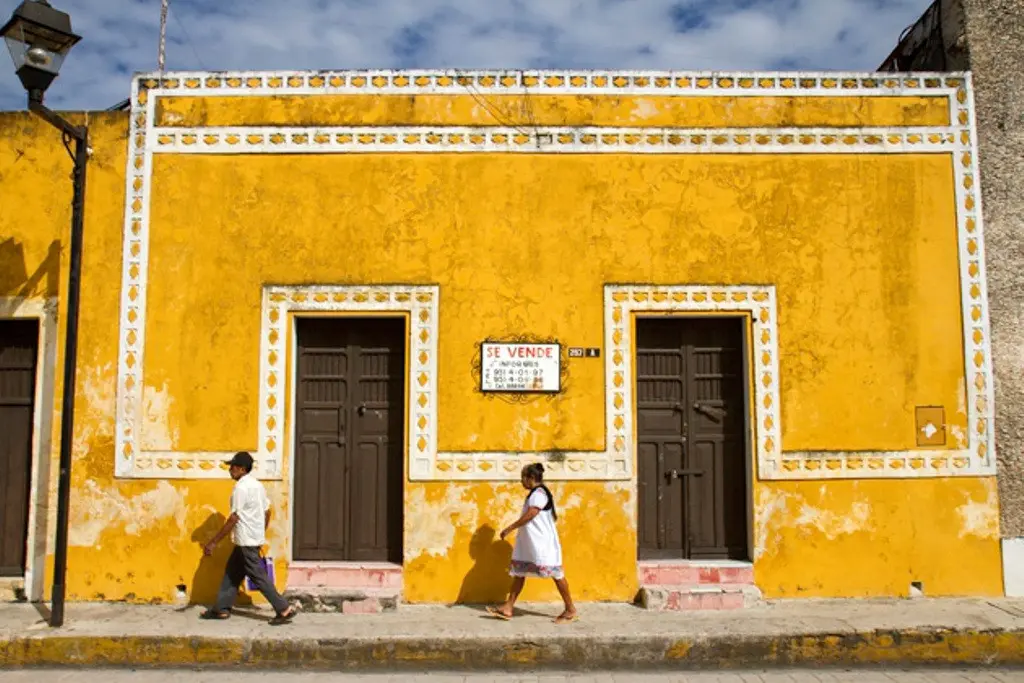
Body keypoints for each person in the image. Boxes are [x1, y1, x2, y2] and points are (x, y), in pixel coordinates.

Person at [200, 451, 296, 624]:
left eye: (233, 467)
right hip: (250, 538)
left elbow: (234, 518)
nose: (230, 470)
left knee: (257, 575)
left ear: (242, 469)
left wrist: (213, 542)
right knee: (232, 572)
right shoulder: (257, 485)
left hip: (246, 540)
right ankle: (221, 608)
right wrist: (260, 531)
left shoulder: (241, 488)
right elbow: (268, 510)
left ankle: (283, 609)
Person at [487, 463, 578, 624]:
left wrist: (510, 527)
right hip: (531, 545)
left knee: (557, 574)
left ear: (531, 478)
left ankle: (570, 609)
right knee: (519, 573)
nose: (522, 481)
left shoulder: (539, 494)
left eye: (523, 478)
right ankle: (508, 607)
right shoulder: (536, 494)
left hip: (542, 545)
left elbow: (532, 514)